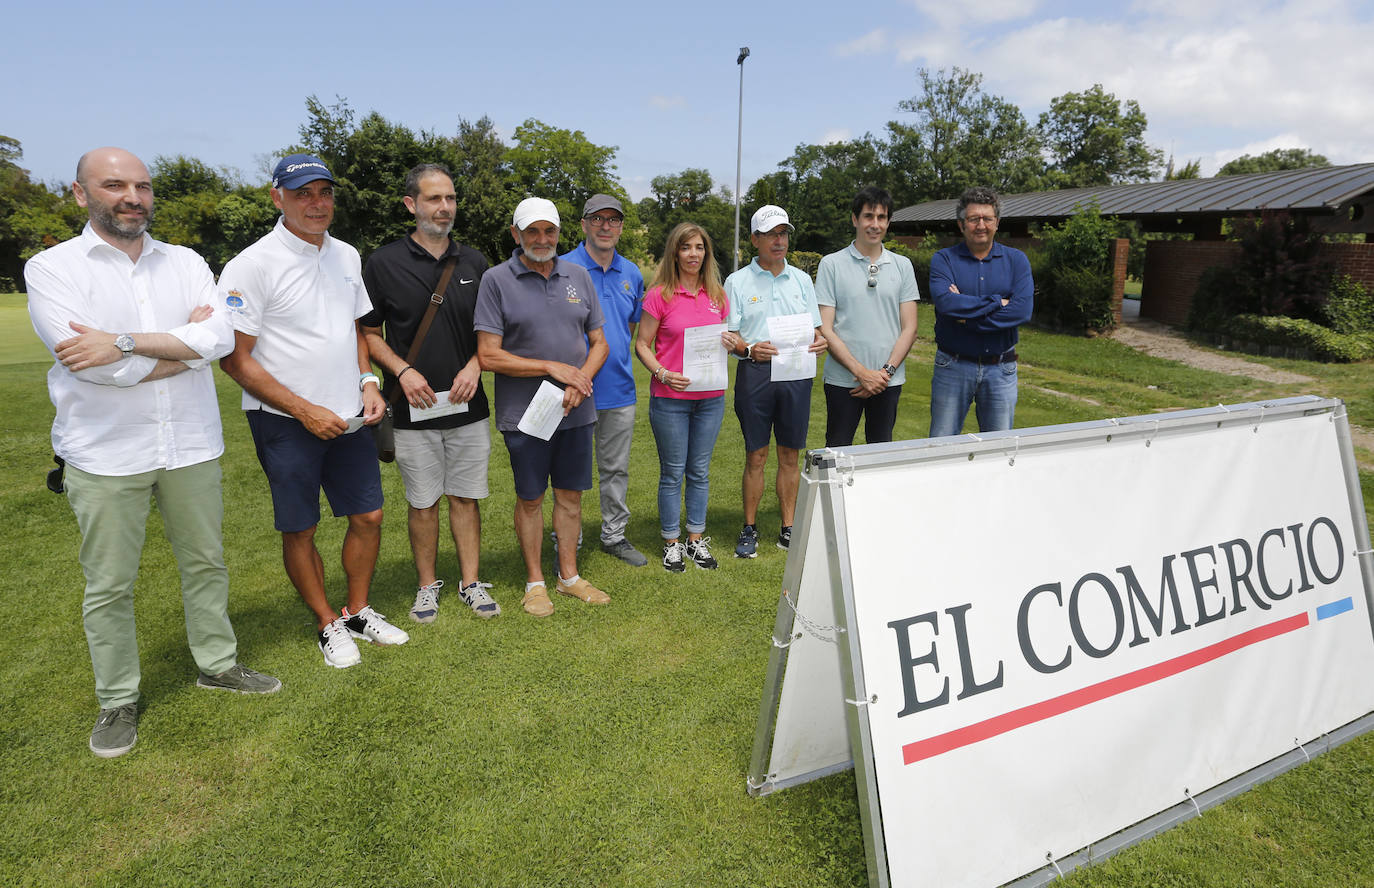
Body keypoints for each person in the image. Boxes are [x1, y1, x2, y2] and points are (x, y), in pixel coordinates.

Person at [25, 147, 280, 758]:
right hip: (105, 454)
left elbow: (218, 339)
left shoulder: (187, 262)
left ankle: (217, 665)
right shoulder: (51, 268)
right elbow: (87, 367)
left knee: (206, 563)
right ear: (81, 194)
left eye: (141, 185)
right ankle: (117, 699)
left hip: (189, 444)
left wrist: (122, 343)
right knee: (110, 584)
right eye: (115, 185)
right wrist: (179, 349)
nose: (132, 197)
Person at [219, 153, 409, 670]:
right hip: (284, 421)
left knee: (368, 515)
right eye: (302, 193)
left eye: (324, 192)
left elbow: (355, 331)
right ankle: (327, 621)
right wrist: (304, 411)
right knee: (300, 528)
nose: (316, 203)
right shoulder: (251, 265)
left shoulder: (346, 255)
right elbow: (235, 360)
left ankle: (358, 609)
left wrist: (369, 381)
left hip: (350, 414)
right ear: (277, 197)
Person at [361, 164, 499, 624]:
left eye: (451, 199)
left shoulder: (476, 262)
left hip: (468, 406)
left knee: (465, 497)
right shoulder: (381, 263)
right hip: (412, 408)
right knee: (422, 501)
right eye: (434, 199)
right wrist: (402, 372)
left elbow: (493, 332)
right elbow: (367, 333)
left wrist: (477, 365)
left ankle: (471, 582)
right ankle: (426, 586)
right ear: (411, 205)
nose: (444, 208)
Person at [474, 198, 610, 616]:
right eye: (531, 231)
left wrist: (579, 378)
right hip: (526, 416)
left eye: (549, 231)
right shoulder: (496, 280)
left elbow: (599, 343)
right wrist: (552, 368)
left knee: (570, 496)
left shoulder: (578, 276)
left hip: (576, 410)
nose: (541, 239)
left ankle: (568, 576)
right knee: (531, 498)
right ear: (516, 235)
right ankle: (535, 582)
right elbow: (488, 356)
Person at [722, 205, 828, 557]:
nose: (778, 240)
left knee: (789, 454)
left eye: (783, 233)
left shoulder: (801, 279)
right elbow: (730, 336)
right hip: (755, 373)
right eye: (770, 234)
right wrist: (750, 349)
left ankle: (788, 528)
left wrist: (821, 340)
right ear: (755, 239)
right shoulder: (736, 281)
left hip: (796, 373)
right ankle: (750, 527)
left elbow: (814, 329)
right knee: (756, 455)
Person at [635, 223, 734, 572]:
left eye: (699, 247)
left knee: (700, 471)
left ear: (706, 253)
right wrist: (662, 372)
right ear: (674, 253)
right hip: (670, 398)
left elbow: (728, 340)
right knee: (673, 473)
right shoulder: (659, 295)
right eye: (686, 247)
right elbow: (642, 345)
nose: (693, 254)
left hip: (710, 398)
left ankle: (695, 540)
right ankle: (671, 543)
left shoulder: (718, 296)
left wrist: (734, 343)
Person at [560, 194, 648, 567]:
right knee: (569, 473)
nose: (606, 226)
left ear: (621, 227)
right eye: (598, 219)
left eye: (614, 220)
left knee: (615, 469)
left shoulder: (631, 273)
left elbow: (628, 329)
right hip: (572, 390)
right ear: (584, 225)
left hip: (618, 389)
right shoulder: (561, 267)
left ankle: (614, 535)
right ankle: (568, 540)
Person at [816, 186, 920, 446]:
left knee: (880, 454)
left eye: (881, 217)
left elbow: (910, 328)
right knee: (837, 454)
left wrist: (884, 374)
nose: (875, 224)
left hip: (888, 381)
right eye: (868, 216)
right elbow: (825, 328)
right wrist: (861, 372)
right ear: (855, 219)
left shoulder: (902, 265)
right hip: (844, 381)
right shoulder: (831, 264)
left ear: (888, 221)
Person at [928, 186, 1034, 437]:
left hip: (1001, 369)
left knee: (998, 450)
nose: (981, 225)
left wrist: (965, 317)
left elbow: (1021, 312)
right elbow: (946, 303)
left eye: (987, 218)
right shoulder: (943, 260)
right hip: (952, 366)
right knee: (941, 448)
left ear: (997, 222)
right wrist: (999, 302)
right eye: (974, 219)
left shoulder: (1017, 260)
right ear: (961, 224)